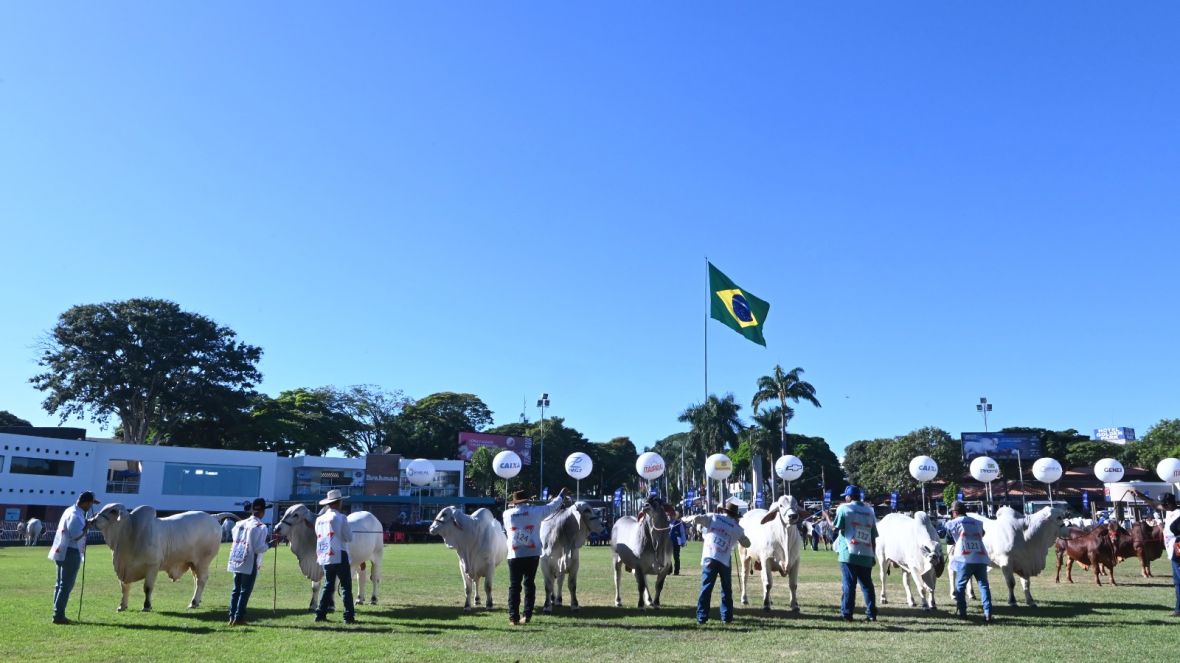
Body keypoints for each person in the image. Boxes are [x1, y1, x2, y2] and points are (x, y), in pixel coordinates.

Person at [502, 487, 570, 625]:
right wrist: (561, 495)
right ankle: (527, 615)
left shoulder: (507, 514)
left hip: (514, 554)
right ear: (527, 500)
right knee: (529, 584)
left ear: (515, 502)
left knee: (514, 585)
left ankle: (513, 616)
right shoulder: (535, 511)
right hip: (532, 553)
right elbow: (551, 507)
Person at [685, 498, 750, 625]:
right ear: (736, 515)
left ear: (725, 511)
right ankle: (726, 617)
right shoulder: (737, 528)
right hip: (724, 560)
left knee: (706, 588)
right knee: (726, 589)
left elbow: (698, 518)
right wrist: (738, 534)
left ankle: (701, 617)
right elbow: (747, 543)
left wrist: (690, 519)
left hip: (709, 557)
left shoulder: (714, 517)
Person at [823, 485, 878, 621]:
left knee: (849, 584)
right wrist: (873, 554)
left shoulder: (844, 508)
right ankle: (871, 614)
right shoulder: (870, 511)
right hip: (866, 553)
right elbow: (873, 536)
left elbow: (835, 528)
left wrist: (827, 517)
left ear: (848, 497)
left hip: (848, 553)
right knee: (867, 586)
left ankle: (847, 614)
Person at [49, 490, 99, 625]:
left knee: (60, 584)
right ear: (86, 502)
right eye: (91, 503)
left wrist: (87, 522)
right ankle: (58, 615)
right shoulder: (76, 515)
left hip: (61, 550)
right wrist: (87, 526)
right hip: (70, 552)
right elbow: (76, 535)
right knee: (66, 585)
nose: (91, 506)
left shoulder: (71, 511)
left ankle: (56, 612)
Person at [227, 498, 278, 626]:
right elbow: (259, 548)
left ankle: (232, 615)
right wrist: (271, 544)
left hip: (236, 558)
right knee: (245, 590)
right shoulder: (260, 526)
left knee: (236, 590)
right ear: (262, 512)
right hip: (250, 561)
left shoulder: (239, 524)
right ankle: (239, 617)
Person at [944, 500, 993, 623]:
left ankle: (962, 612)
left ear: (955, 512)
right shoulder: (977, 522)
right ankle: (988, 613)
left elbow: (948, 538)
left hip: (964, 558)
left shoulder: (953, 522)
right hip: (980, 557)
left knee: (960, 586)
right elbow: (983, 533)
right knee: (984, 586)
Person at [314, 489, 356, 624]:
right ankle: (348, 616)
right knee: (345, 586)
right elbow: (349, 537)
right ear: (338, 502)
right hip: (340, 554)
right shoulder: (341, 517)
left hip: (325, 555)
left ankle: (320, 614)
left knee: (328, 585)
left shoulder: (319, 519)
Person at [1135, 490, 1180, 616]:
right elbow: (1155, 504)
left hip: (1178, 548)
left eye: (1164, 505)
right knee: (1177, 581)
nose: (1162, 507)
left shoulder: (1178, 514)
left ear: (1169, 504)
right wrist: (1140, 495)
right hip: (1173, 550)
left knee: (1179, 580)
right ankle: (1179, 608)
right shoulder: (1171, 511)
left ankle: (1179, 609)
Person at [669, 511, 687, 575]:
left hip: (676, 542)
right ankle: (669, 570)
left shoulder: (679, 523)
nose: (670, 516)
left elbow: (682, 533)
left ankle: (676, 571)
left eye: (672, 515)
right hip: (668, 543)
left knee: (676, 557)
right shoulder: (667, 523)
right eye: (670, 515)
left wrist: (683, 542)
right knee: (668, 557)